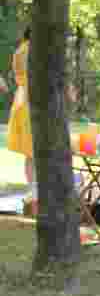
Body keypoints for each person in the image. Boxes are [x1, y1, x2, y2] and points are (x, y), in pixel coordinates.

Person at [7, 28, 34, 191]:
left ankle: (33, 189)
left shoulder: (19, 50)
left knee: (29, 152)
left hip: (22, 97)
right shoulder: (31, 50)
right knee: (33, 149)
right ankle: (36, 191)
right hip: (31, 98)